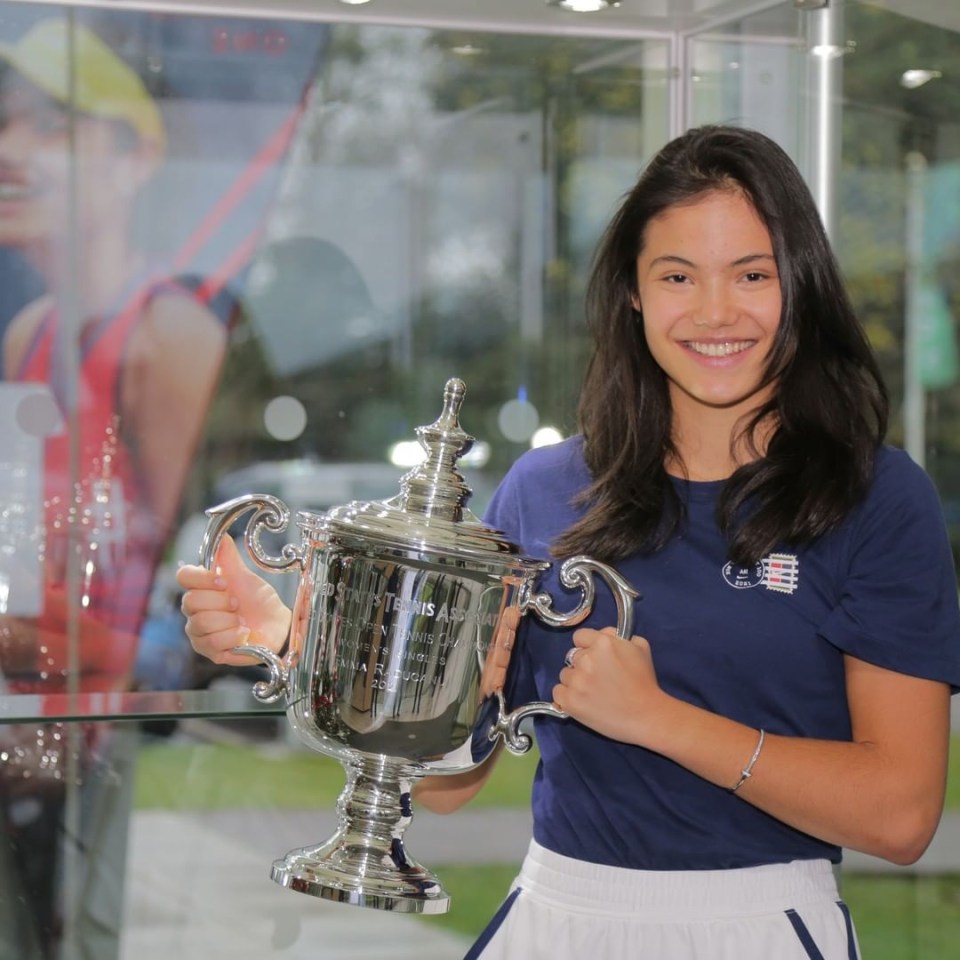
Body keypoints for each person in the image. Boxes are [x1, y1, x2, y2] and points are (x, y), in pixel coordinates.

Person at [176, 124, 960, 959]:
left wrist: (659, 720)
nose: (715, 311)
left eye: (753, 274)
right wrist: (298, 644)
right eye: (677, 276)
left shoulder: (875, 497)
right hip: (554, 915)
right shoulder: (545, 490)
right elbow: (449, 785)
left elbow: (901, 815)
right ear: (632, 291)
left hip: (761, 925)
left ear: (798, 285)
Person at [0, 18, 229, 960]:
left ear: (137, 160)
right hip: (25, 718)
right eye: (4, 123)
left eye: (52, 126)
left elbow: (179, 607)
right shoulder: (32, 335)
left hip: (95, 725)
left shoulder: (164, 336)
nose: (11, 152)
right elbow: (22, 546)